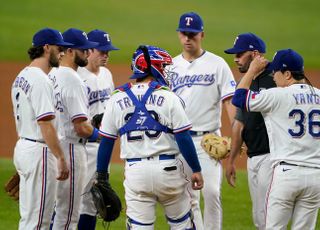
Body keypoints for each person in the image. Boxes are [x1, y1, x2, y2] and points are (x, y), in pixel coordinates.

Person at [96, 45, 204, 229]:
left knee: (140, 226)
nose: (166, 71)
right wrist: (196, 168)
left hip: (136, 172)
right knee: (182, 225)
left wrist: (102, 176)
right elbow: (183, 138)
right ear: (153, 68)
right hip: (168, 171)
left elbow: (106, 142)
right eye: (163, 66)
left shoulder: (116, 98)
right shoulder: (169, 97)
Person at [232, 49, 320, 229]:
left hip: (286, 176)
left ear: (287, 74)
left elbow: (239, 98)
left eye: (276, 71)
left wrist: (251, 71)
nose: (273, 76)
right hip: (315, 177)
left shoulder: (277, 95)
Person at [170, 12, 236, 230]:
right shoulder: (170, 66)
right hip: (179, 141)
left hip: (208, 140)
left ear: (202, 35)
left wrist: (237, 134)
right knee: (188, 199)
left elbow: (229, 103)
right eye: (184, 34)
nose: (188, 38)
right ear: (179, 35)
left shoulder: (218, 64)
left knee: (212, 192)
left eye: (193, 34)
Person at [11, 28, 70, 229]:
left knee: (28, 219)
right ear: (46, 48)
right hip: (40, 153)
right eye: (59, 48)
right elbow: (45, 123)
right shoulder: (40, 80)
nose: (62, 53)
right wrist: (60, 158)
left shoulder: (22, 76)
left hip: (25, 148)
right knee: (39, 223)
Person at [48, 28, 99, 230]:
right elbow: (81, 127)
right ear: (69, 51)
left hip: (53, 146)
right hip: (71, 149)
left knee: (53, 209)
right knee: (68, 215)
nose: (87, 53)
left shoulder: (51, 74)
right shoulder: (73, 80)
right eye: (83, 50)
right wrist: (100, 135)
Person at [224, 33, 276, 229]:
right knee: (259, 217)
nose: (235, 58)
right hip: (254, 157)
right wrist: (231, 160)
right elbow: (239, 122)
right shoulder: (245, 83)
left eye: (239, 54)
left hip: (272, 157)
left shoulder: (276, 78)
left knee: (268, 217)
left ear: (254, 54)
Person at [77, 29, 119, 230]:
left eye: (108, 52)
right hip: (83, 146)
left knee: (95, 201)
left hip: (102, 147)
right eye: (102, 51)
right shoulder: (77, 76)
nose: (106, 56)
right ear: (90, 50)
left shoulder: (107, 74)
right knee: (70, 203)